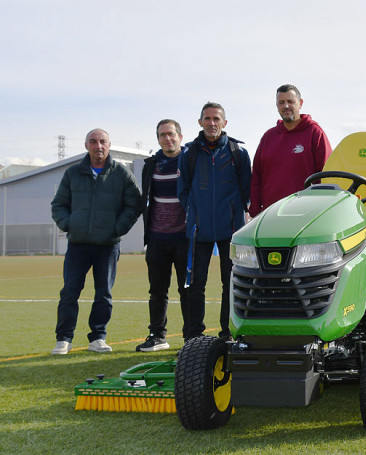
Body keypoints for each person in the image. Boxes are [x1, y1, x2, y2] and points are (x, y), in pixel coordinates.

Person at [50, 129, 141, 354]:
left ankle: (98, 337)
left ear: (109, 145)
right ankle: (64, 339)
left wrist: (117, 228)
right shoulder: (72, 173)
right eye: (93, 141)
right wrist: (69, 224)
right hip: (78, 244)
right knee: (70, 291)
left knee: (104, 293)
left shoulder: (121, 173)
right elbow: (58, 205)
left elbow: (135, 204)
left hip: (108, 245)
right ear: (86, 145)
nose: (98, 145)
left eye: (102, 141)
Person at [178, 102, 251, 341]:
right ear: (200, 122)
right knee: (195, 284)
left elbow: (245, 190)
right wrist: (196, 213)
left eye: (216, 118)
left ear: (224, 122)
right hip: (198, 231)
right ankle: (193, 335)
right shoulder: (189, 154)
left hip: (230, 230)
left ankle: (228, 332)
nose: (212, 123)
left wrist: (233, 215)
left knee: (230, 283)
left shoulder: (237, 153)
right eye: (207, 119)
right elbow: (183, 191)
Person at [136, 119, 188, 352]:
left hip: (185, 237)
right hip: (157, 238)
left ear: (180, 136)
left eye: (171, 134)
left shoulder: (190, 161)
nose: (167, 138)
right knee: (157, 290)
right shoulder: (152, 164)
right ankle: (157, 335)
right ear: (158, 139)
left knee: (188, 289)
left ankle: (191, 338)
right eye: (162, 135)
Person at [249, 84, 332, 216]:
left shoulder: (314, 132)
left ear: (300, 103)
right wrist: (255, 210)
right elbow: (256, 177)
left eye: (290, 101)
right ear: (277, 105)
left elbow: (327, 174)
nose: (286, 106)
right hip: (271, 214)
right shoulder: (268, 137)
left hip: (306, 214)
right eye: (281, 102)